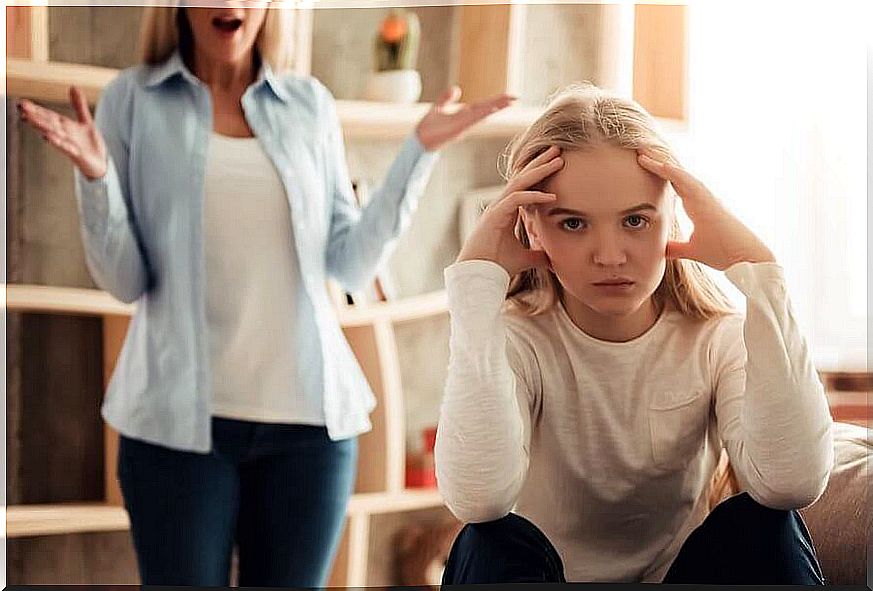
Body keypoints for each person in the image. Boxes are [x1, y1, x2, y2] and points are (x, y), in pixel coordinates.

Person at [17, 2, 513, 587]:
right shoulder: (133, 100)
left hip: (306, 436)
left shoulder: (309, 106)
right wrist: (98, 180)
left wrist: (418, 154)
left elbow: (350, 266)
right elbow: (125, 280)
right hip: (175, 431)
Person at [434, 82, 834, 585]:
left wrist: (758, 273)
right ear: (532, 228)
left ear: (673, 216)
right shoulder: (517, 341)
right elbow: (477, 497)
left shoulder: (716, 339)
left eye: (636, 220)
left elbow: (791, 484)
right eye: (573, 223)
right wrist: (475, 290)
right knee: (487, 539)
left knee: (766, 526)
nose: (609, 255)